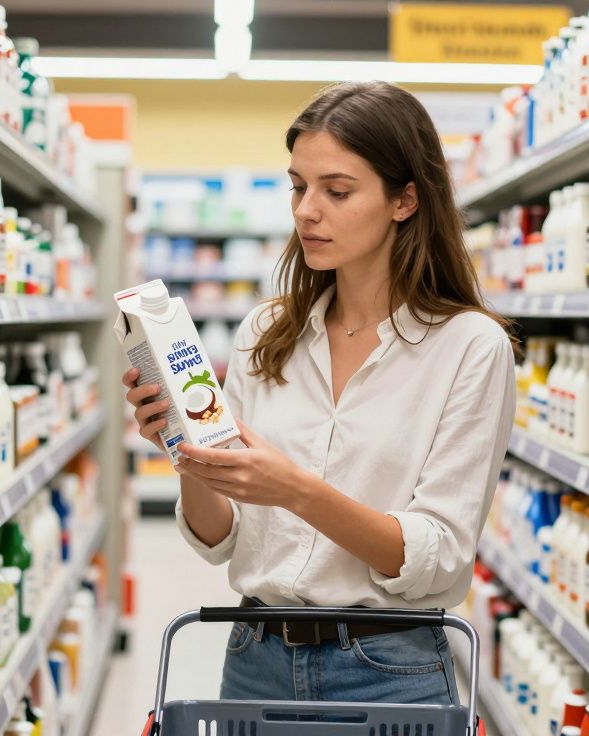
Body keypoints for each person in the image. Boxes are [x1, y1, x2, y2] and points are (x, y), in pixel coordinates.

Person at [123, 81, 516, 705]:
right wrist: (187, 450)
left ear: (405, 200)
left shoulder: (470, 347)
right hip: (255, 655)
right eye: (298, 186)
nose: (306, 210)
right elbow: (218, 539)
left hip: (390, 672)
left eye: (336, 191)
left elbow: (437, 557)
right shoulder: (266, 332)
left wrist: (296, 491)